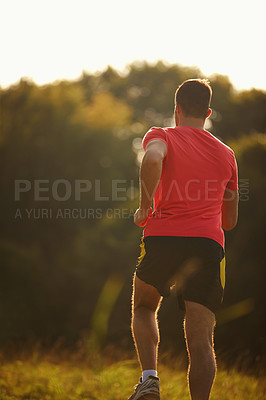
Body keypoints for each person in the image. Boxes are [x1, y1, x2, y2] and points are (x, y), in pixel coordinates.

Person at [128, 79, 239, 400]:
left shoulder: (161, 135)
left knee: (145, 306)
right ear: (207, 112)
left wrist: (144, 207)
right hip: (208, 244)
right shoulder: (227, 154)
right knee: (201, 339)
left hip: (163, 236)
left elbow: (151, 159)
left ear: (177, 109)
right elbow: (229, 221)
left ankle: (150, 379)